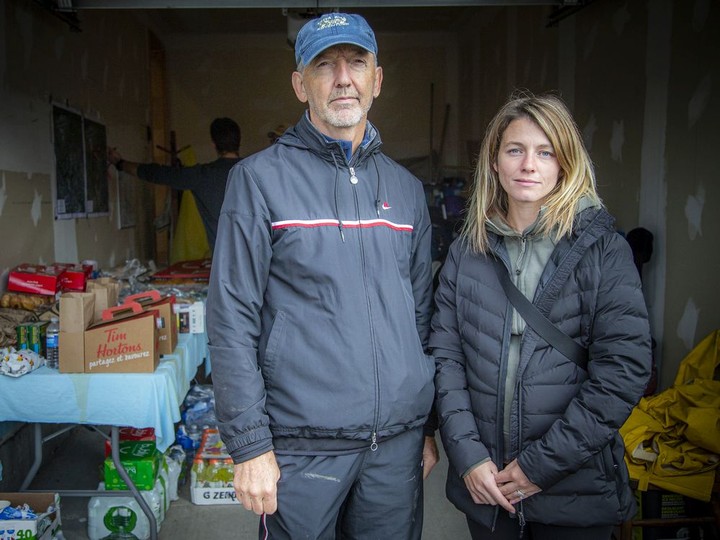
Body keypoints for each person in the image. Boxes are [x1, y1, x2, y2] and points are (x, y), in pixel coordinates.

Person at [206, 12, 438, 540]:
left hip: (395, 448)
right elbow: (231, 319)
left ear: (377, 79)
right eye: (324, 65)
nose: (342, 78)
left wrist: (425, 427)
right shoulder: (258, 181)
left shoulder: (406, 190)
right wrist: (249, 446)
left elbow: (422, 318)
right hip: (301, 446)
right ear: (300, 84)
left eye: (357, 62)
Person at [430, 91, 652, 539]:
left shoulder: (602, 252)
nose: (529, 165)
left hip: (574, 490)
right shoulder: (466, 252)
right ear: (494, 161)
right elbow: (444, 358)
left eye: (545, 152)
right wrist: (468, 455)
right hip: (487, 491)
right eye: (515, 150)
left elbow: (623, 371)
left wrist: (538, 467)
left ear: (564, 163)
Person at [107, 117, 241, 250]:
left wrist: (120, 163)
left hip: (226, 264)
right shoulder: (256, 172)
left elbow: (156, 173)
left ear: (214, 143)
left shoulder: (202, 175)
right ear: (238, 141)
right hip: (259, 263)